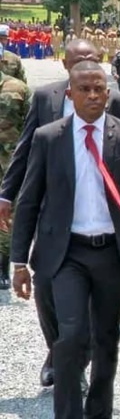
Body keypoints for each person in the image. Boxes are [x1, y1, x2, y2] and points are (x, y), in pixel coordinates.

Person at [11, 60, 120, 418]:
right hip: (66, 254)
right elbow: (29, 201)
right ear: (70, 94)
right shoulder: (50, 138)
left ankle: (98, 412)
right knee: (72, 334)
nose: (92, 96)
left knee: (107, 338)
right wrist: (18, 262)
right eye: (84, 90)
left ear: (108, 94)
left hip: (111, 253)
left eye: (98, 90)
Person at [0, 39, 120, 388]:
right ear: (65, 66)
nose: (86, 64)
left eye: (91, 59)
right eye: (78, 61)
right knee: (46, 291)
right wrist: (7, 193)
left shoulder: (116, 101)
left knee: (85, 300)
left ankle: (71, 363)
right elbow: (26, 147)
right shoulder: (46, 98)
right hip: (54, 212)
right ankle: (56, 351)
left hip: (98, 215)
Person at [0, 70, 30, 290]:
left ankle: (2, 266)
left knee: (7, 214)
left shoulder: (18, 88)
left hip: (10, 163)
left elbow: (31, 126)